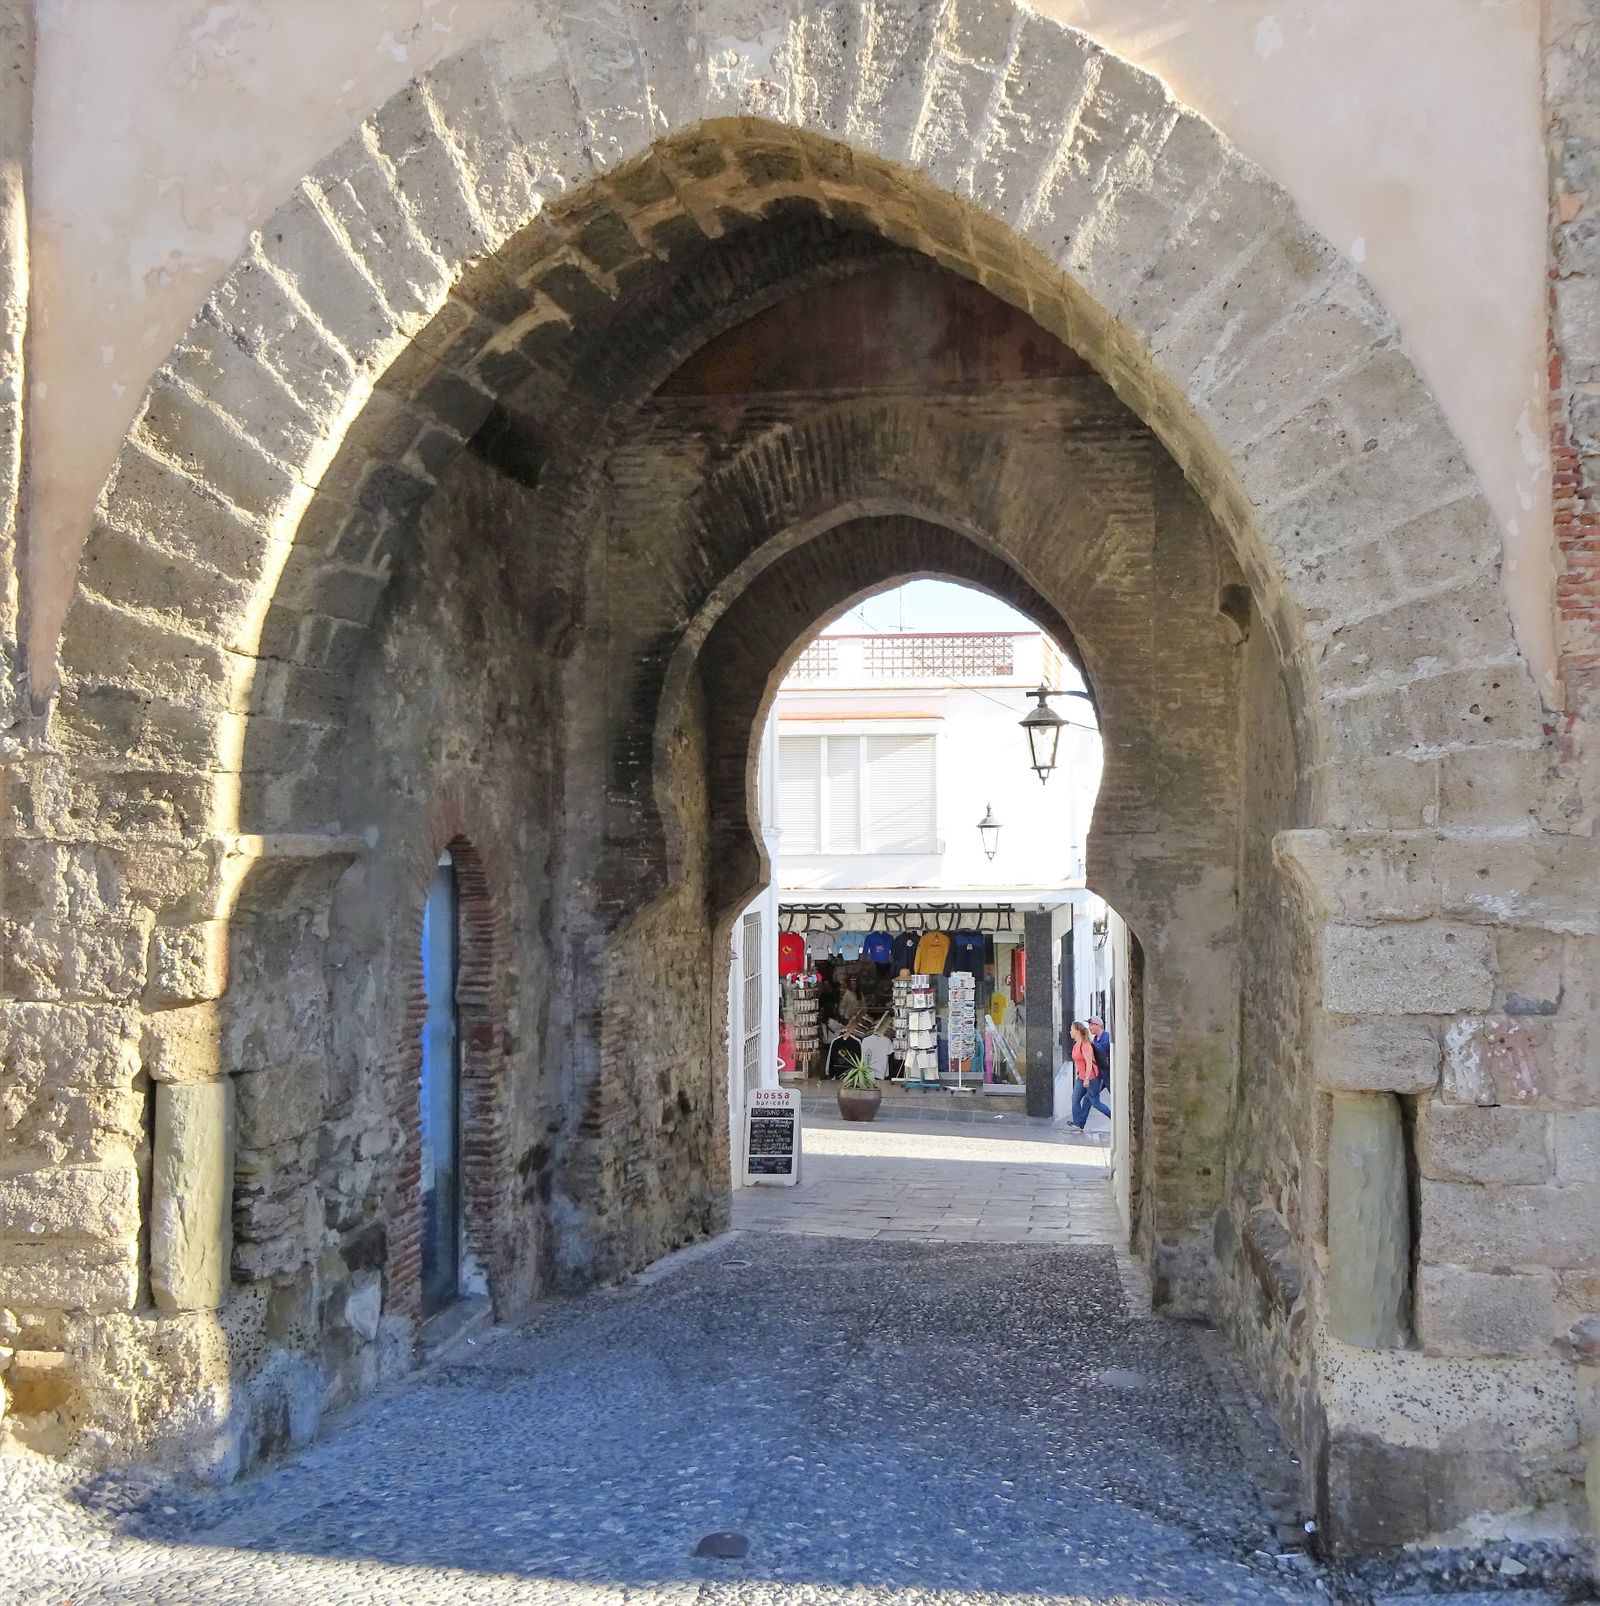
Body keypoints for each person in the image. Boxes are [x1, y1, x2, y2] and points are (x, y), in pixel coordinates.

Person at [1069, 1021, 1110, 1130]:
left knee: (1095, 1103)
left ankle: (1113, 1117)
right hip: (1081, 1077)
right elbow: (1078, 1061)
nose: (1070, 1032)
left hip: (1091, 1078)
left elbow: (1089, 1063)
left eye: (1071, 1030)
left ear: (1077, 1031)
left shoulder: (1086, 1045)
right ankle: (1077, 1124)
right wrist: (1080, 1074)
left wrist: (1087, 1079)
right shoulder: (1076, 1044)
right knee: (1075, 1100)